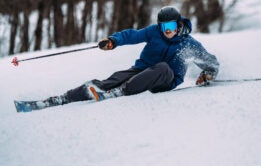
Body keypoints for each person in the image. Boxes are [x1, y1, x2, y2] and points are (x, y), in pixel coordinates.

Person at [44, 6, 219, 107]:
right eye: (164, 25)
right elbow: (131, 35)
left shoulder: (188, 44)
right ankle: (66, 97)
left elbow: (210, 62)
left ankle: (121, 91)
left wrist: (208, 73)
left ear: (179, 24)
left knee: (163, 68)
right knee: (113, 79)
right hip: (141, 71)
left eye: (171, 25)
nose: (167, 30)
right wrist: (113, 41)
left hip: (165, 79)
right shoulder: (154, 32)